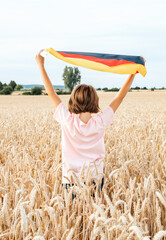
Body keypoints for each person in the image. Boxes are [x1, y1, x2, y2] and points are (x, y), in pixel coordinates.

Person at [35, 49, 136, 200]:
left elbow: (51, 93)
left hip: (70, 179)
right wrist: (132, 73)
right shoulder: (100, 121)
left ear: (72, 100)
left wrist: (41, 65)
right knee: (93, 215)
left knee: (73, 215)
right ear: (95, 101)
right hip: (95, 178)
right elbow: (119, 97)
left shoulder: (67, 119)